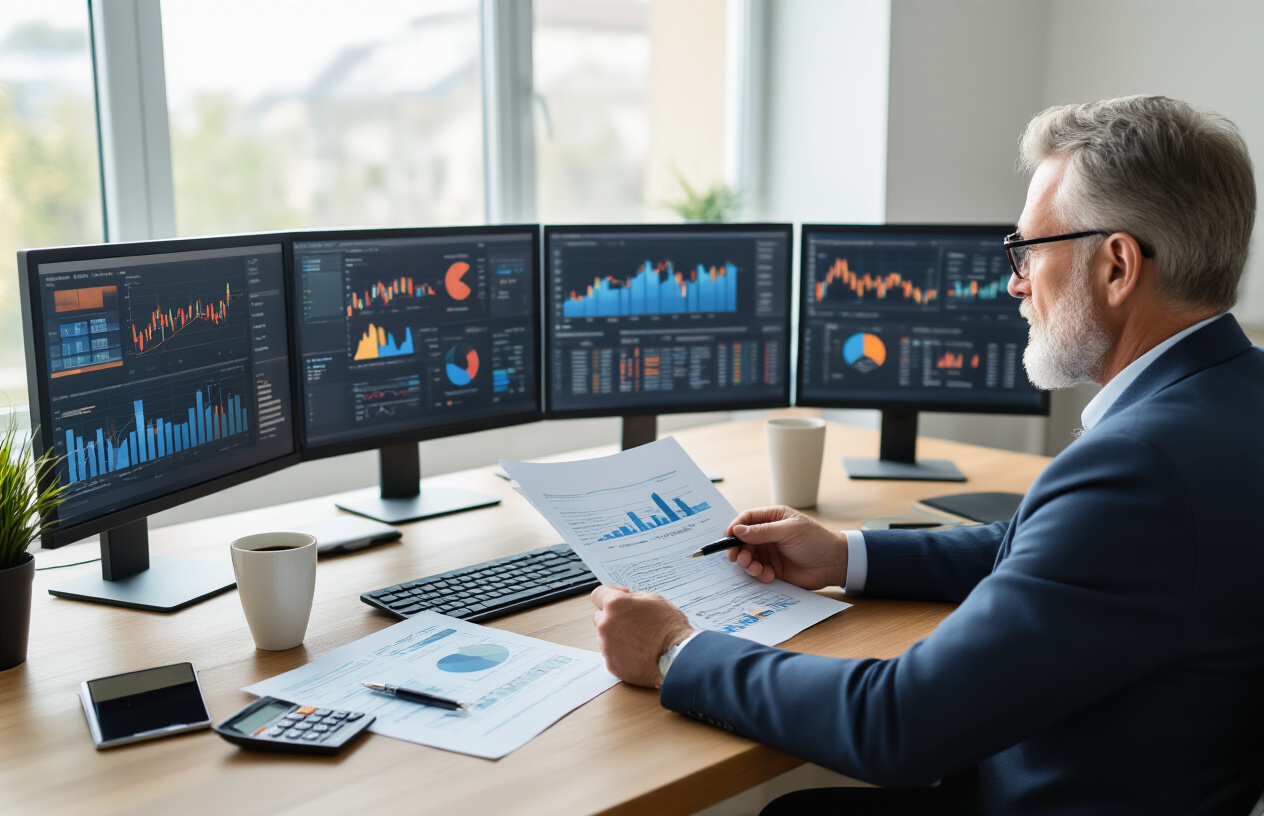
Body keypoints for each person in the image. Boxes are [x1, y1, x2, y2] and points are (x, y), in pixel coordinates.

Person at [590, 96, 1264, 816]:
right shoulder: (1237, 398)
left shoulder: (1138, 469)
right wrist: (845, 555)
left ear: (1117, 265)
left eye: (1028, 251)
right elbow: (1045, 552)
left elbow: (897, 725)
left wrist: (672, 651)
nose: (1015, 282)